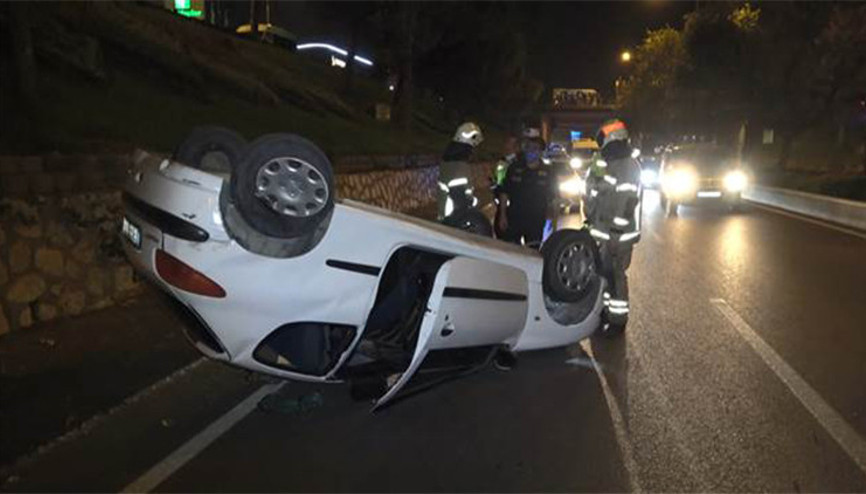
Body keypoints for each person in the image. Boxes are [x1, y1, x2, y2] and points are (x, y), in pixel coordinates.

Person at [584, 119, 642, 333]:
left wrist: (616, 233)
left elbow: (627, 202)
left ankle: (618, 322)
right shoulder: (608, 162)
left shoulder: (626, 165)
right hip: (603, 231)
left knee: (616, 275)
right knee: (605, 274)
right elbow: (597, 193)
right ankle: (606, 313)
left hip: (618, 235)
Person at [497, 128, 557, 248]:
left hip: (536, 220)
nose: (531, 151)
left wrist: (553, 222)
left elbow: (553, 198)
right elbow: (504, 192)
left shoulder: (548, 171)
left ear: (540, 151)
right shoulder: (514, 168)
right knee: (512, 252)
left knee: (533, 253)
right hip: (514, 218)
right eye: (528, 148)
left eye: (535, 148)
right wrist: (502, 215)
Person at [438, 122, 483, 220]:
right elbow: (462, 196)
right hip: (454, 217)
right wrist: (474, 201)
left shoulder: (447, 161)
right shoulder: (460, 166)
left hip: (445, 213)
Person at [492, 135, 519, 237]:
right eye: (506, 143)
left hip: (513, 203)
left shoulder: (517, 163)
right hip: (502, 201)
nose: (506, 146)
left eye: (509, 144)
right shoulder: (502, 162)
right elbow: (498, 181)